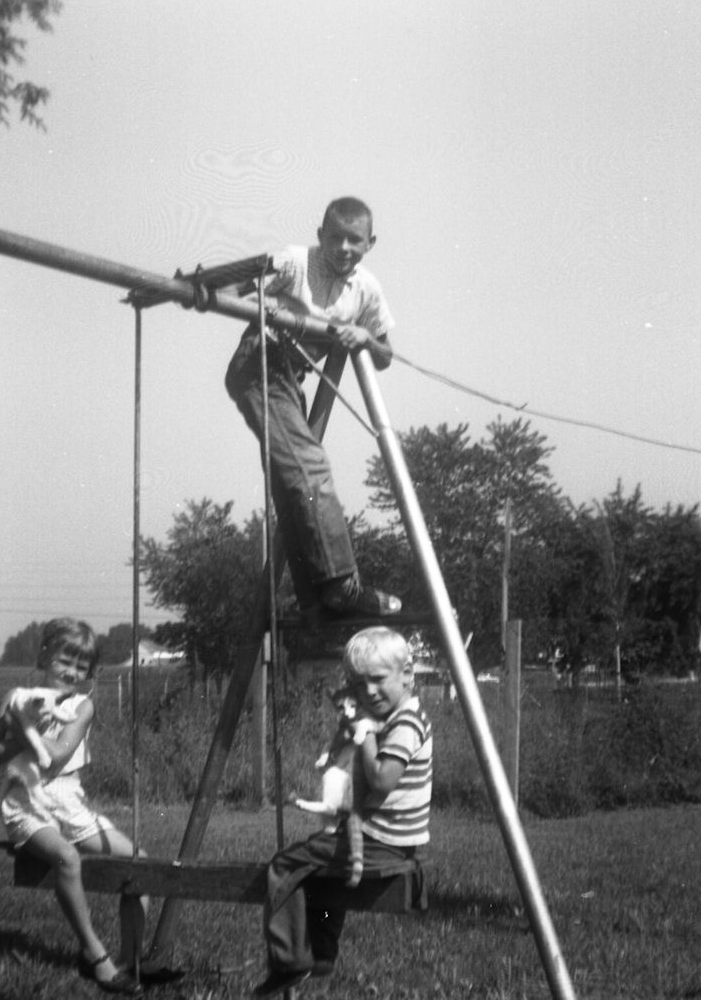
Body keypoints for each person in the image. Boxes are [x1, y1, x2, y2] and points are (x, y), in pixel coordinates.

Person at [224, 196, 402, 622]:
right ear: (320, 235)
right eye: (335, 237)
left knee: (293, 485)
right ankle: (343, 585)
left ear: (369, 243)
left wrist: (364, 336)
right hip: (261, 362)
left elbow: (384, 354)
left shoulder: (366, 290)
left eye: (354, 240)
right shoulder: (294, 262)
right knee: (310, 467)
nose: (343, 247)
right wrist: (241, 300)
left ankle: (314, 597)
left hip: (293, 379)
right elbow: (229, 288)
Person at [0, 618, 177, 995]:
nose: (71, 672)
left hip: (70, 801)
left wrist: (21, 727)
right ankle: (94, 955)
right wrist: (22, 731)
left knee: (140, 863)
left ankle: (129, 960)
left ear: (89, 672)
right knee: (67, 859)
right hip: (26, 804)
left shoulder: (81, 706)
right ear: (43, 655)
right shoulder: (16, 695)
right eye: (63, 661)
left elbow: (55, 758)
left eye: (81, 666)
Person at [253, 626, 433, 997]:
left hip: (381, 839)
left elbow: (382, 780)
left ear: (408, 676)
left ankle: (288, 963)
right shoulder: (398, 717)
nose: (368, 691)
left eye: (379, 680)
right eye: (358, 682)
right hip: (388, 837)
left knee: (285, 864)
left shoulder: (405, 723)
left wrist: (364, 734)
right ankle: (321, 955)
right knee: (319, 871)